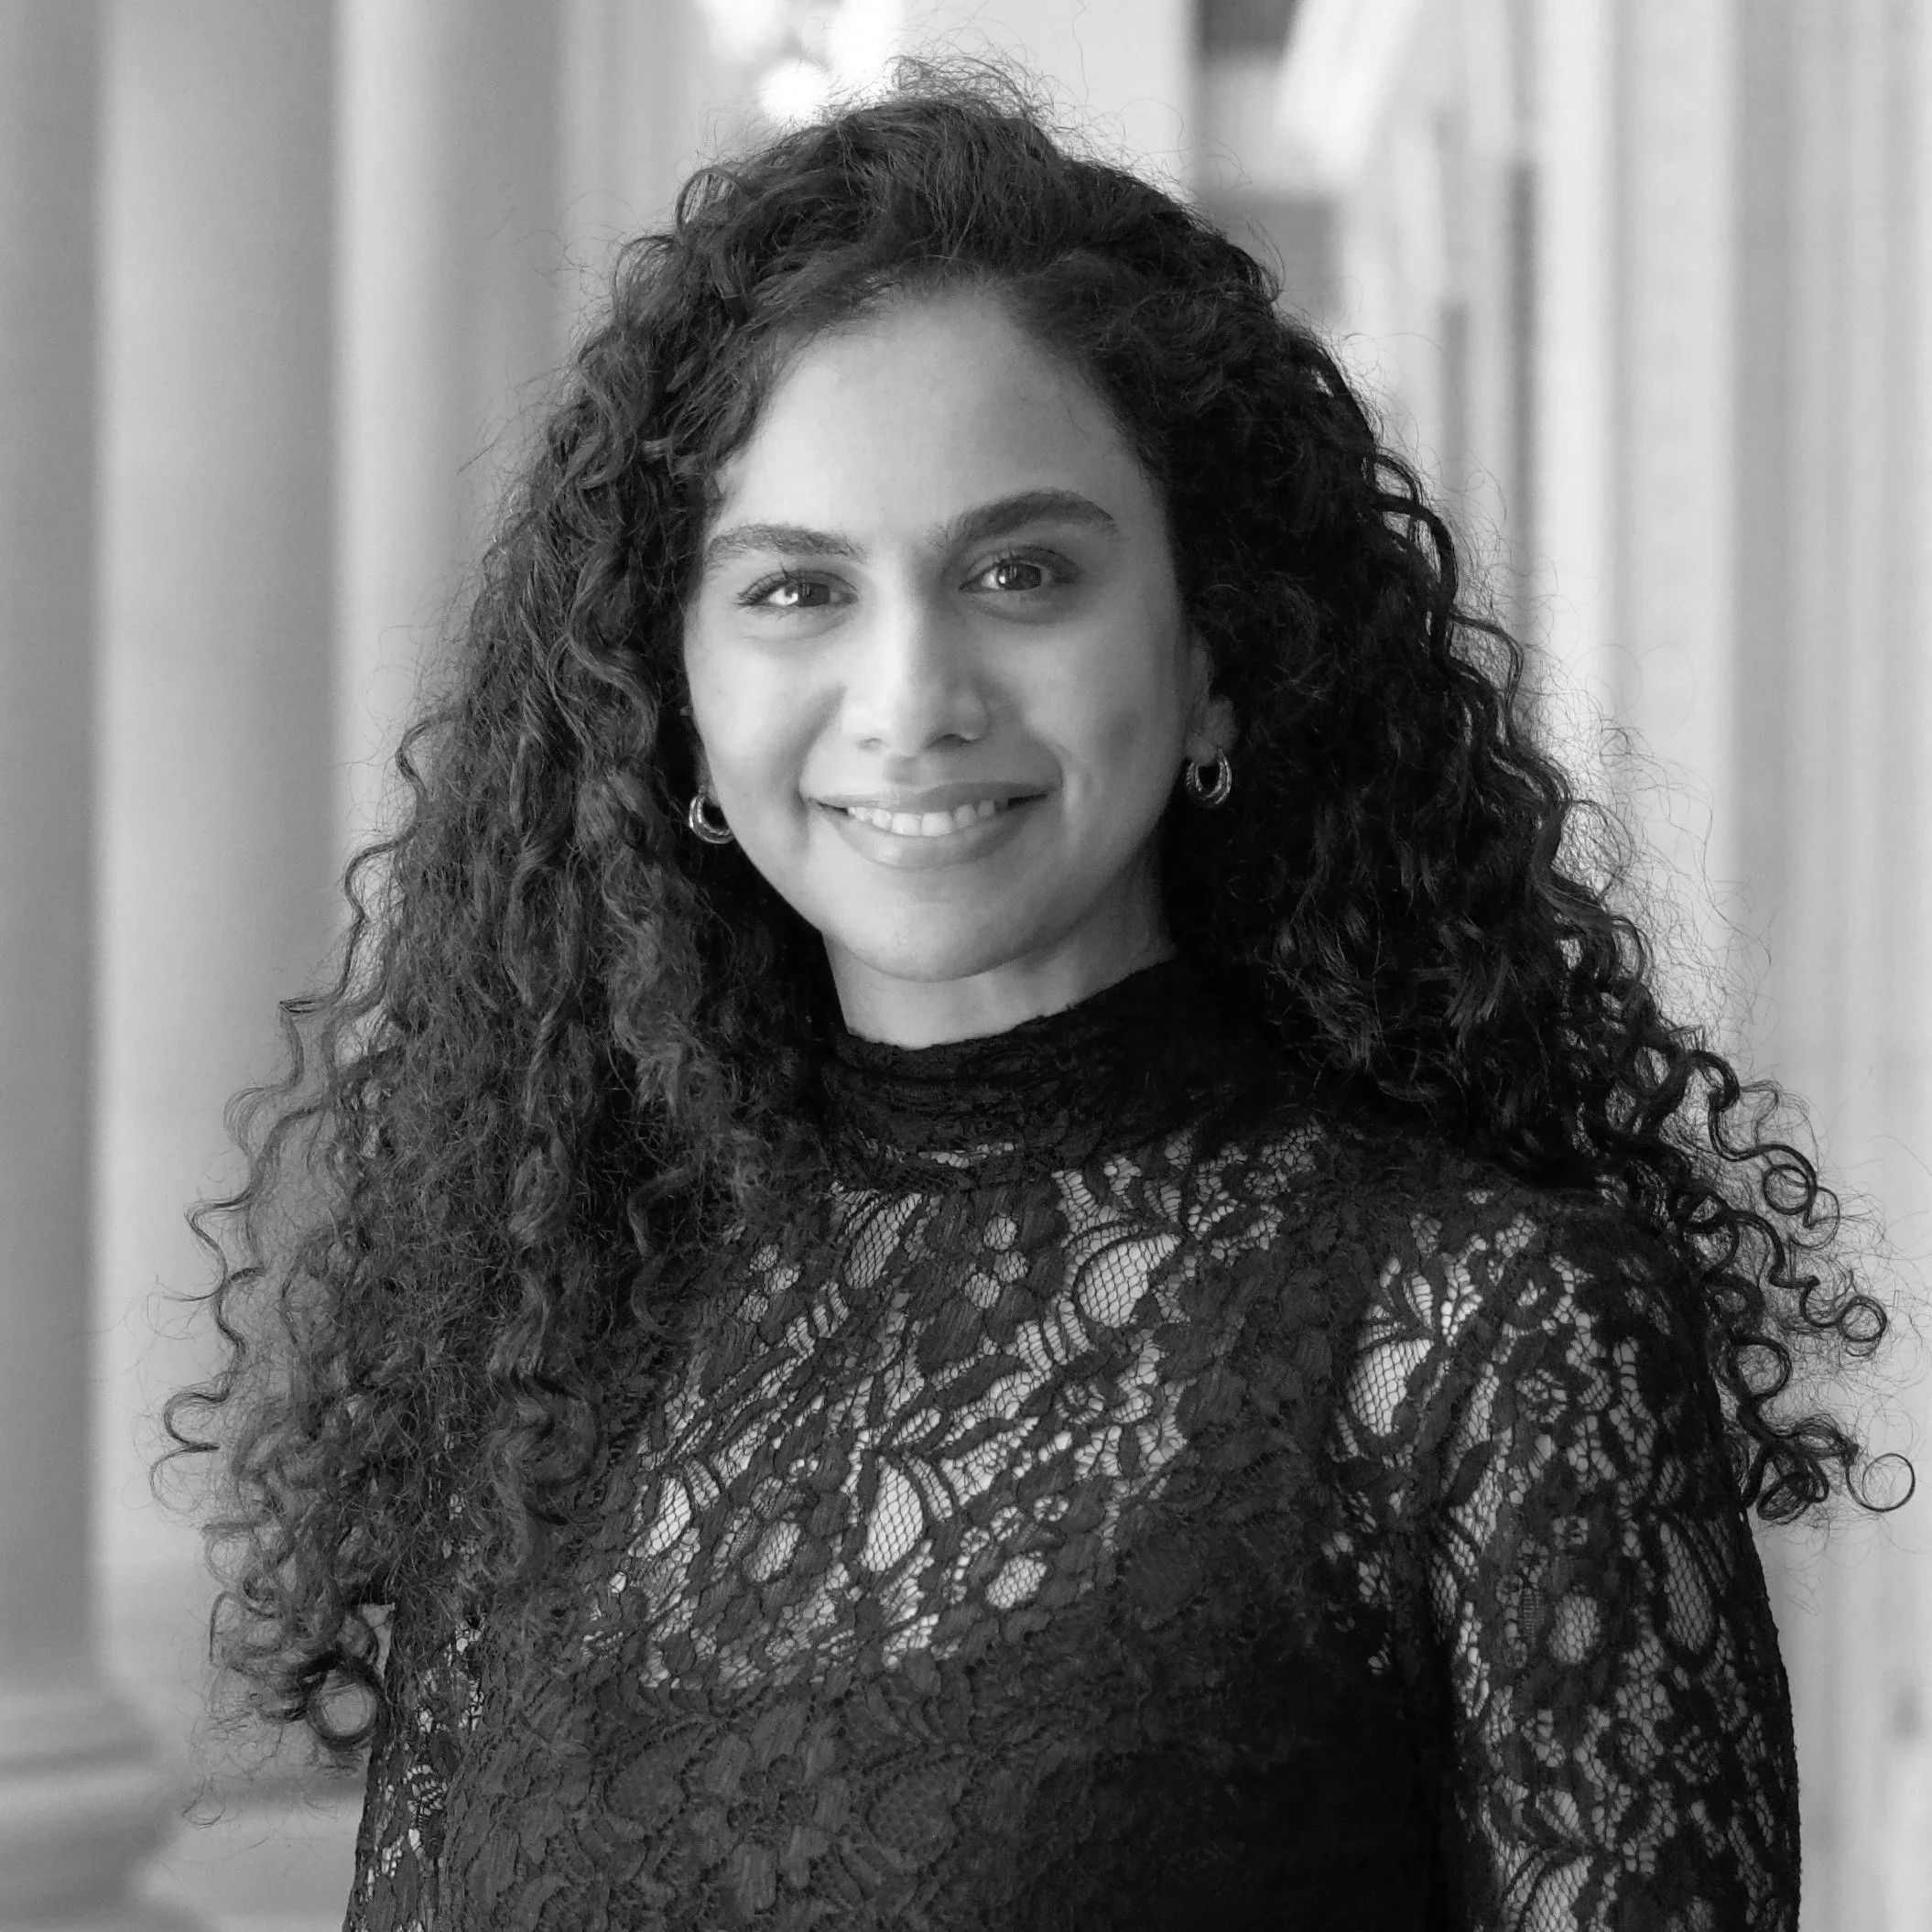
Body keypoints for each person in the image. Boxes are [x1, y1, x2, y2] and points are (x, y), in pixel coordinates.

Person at [168, 65, 1905, 1932]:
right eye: (794, 591)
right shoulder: (561, 1334)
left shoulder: (1483, 1342)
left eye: (1019, 571)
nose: (911, 692)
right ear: (660, 705)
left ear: (1213, 651)